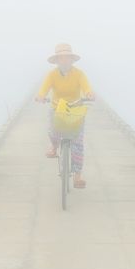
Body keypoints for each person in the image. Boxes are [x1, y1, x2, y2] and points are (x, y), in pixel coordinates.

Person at [34, 43, 94, 188]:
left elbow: (87, 88)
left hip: (75, 109)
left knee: (78, 143)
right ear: (56, 61)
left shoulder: (79, 74)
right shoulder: (52, 75)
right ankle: (54, 146)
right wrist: (41, 96)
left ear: (72, 60)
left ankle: (77, 177)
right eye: (61, 58)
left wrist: (89, 94)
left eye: (67, 58)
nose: (64, 61)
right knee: (53, 131)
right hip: (57, 108)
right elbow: (44, 89)